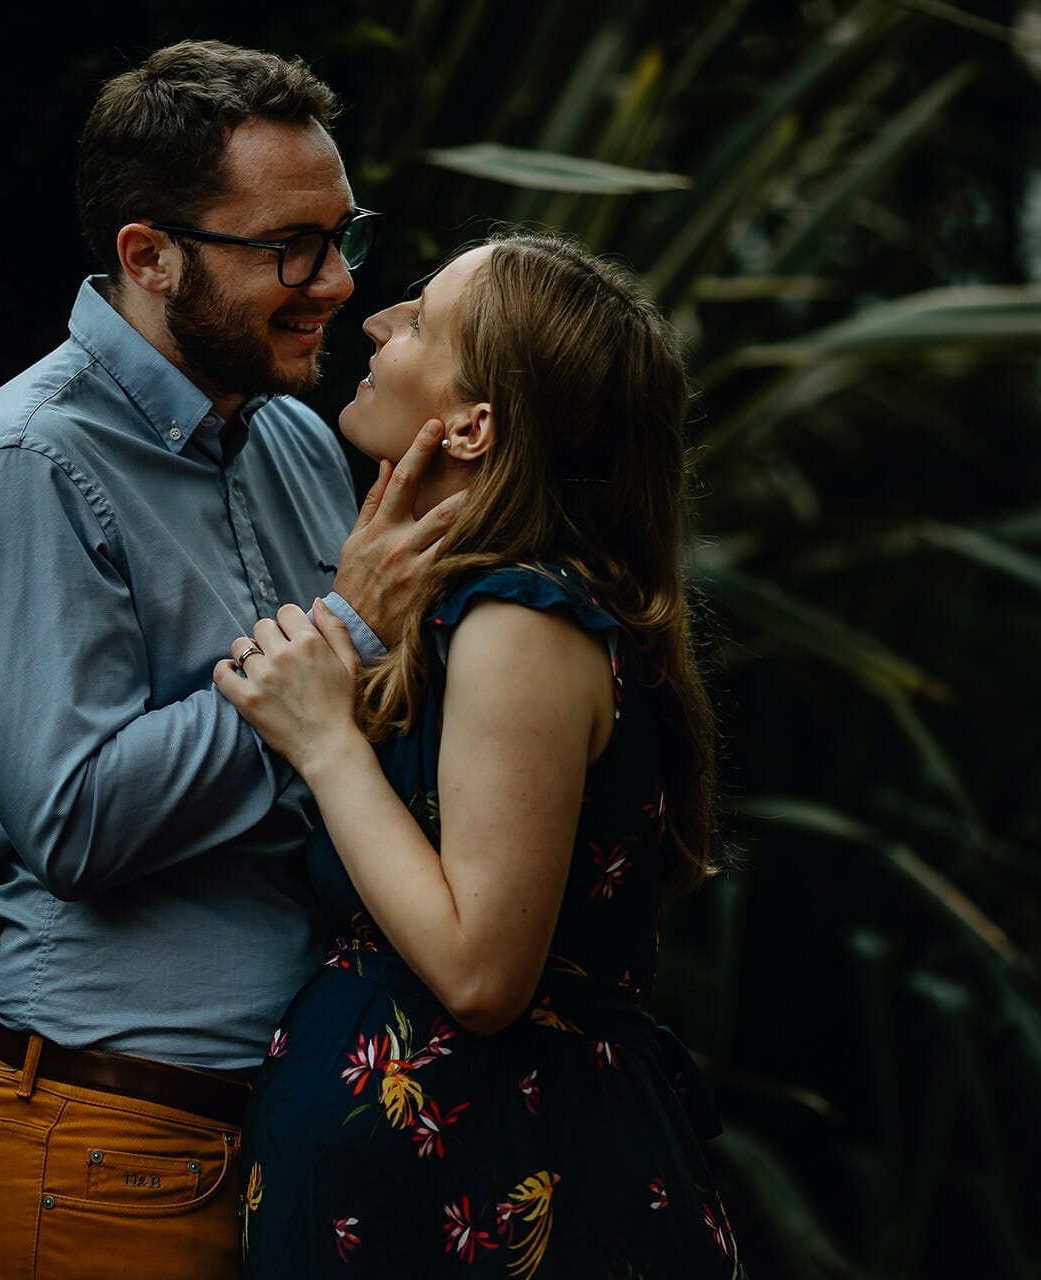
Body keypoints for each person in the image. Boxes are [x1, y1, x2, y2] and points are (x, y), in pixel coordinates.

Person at [0, 40, 458, 1280]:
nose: (334, 284)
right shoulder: (25, 468)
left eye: (342, 233)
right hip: (104, 1147)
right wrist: (350, 630)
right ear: (148, 255)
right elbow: (77, 820)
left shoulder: (298, 438)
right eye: (288, 249)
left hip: (295, 1140)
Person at [217, 233, 744, 1278]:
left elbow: (482, 970)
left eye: (416, 321)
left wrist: (327, 742)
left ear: (474, 424)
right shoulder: (472, 610)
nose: (373, 321)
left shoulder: (522, 619)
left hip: (499, 1199)